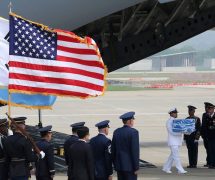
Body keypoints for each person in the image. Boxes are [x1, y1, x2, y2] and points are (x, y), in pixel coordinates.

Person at [111, 111, 139, 180]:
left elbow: (113, 149)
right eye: (132, 120)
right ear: (129, 121)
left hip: (119, 166)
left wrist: (115, 164)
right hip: (130, 167)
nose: (133, 122)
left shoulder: (116, 131)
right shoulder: (133, 132)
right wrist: (136, 167)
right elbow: (134, 151)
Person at [162, 108, 187, 174]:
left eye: (176, 113)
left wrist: (185, 131)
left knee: (172, 156)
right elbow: (172, 132)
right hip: (173, 142)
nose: (176, 114)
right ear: (171, 114)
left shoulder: (176, 121)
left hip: (177, 142)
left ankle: (166, 168)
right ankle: (180, 170)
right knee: (176, 156)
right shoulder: (169, 122)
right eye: (175, 113)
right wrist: (182, 132)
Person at [201, 102, 212, 167]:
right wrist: (202, 134)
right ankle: (208, 161)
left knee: (211, 149)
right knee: (207, 149)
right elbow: (203, 125)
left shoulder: (212, 115)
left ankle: (211, 162)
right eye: (205, 108)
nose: (206, 109)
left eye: (207, 108)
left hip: (210, 135)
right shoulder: (204, 114)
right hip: (205, 135)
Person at [205, 103, 215, 168]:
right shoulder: (207, 116)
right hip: (209, 137)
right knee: (210, 151)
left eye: (211, 109)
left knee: (214, 150)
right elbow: (205, 127)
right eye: (209, 109)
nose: (209, 110)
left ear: (213, 109)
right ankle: (211, 164)